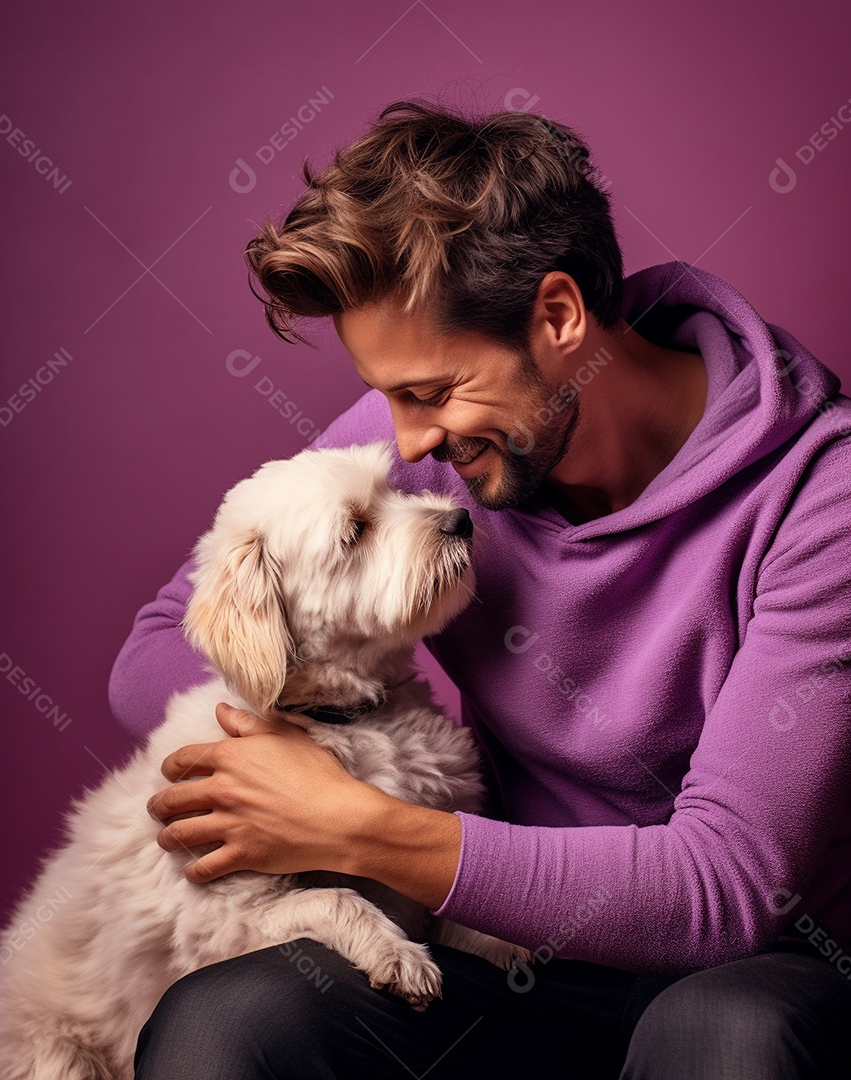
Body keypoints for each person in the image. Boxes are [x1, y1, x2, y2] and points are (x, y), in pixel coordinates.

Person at [112, 101, 851, 1078]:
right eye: (388, 396)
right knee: (232, 1021)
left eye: (427, 393)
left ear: (557, 318)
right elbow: (161, 641)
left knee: (723, 1035)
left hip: (759, 966)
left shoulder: (821, 499)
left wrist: (357, 822)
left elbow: (725, 883)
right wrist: (311, 730)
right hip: (509, 956)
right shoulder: (437, 442)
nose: (406, 441)